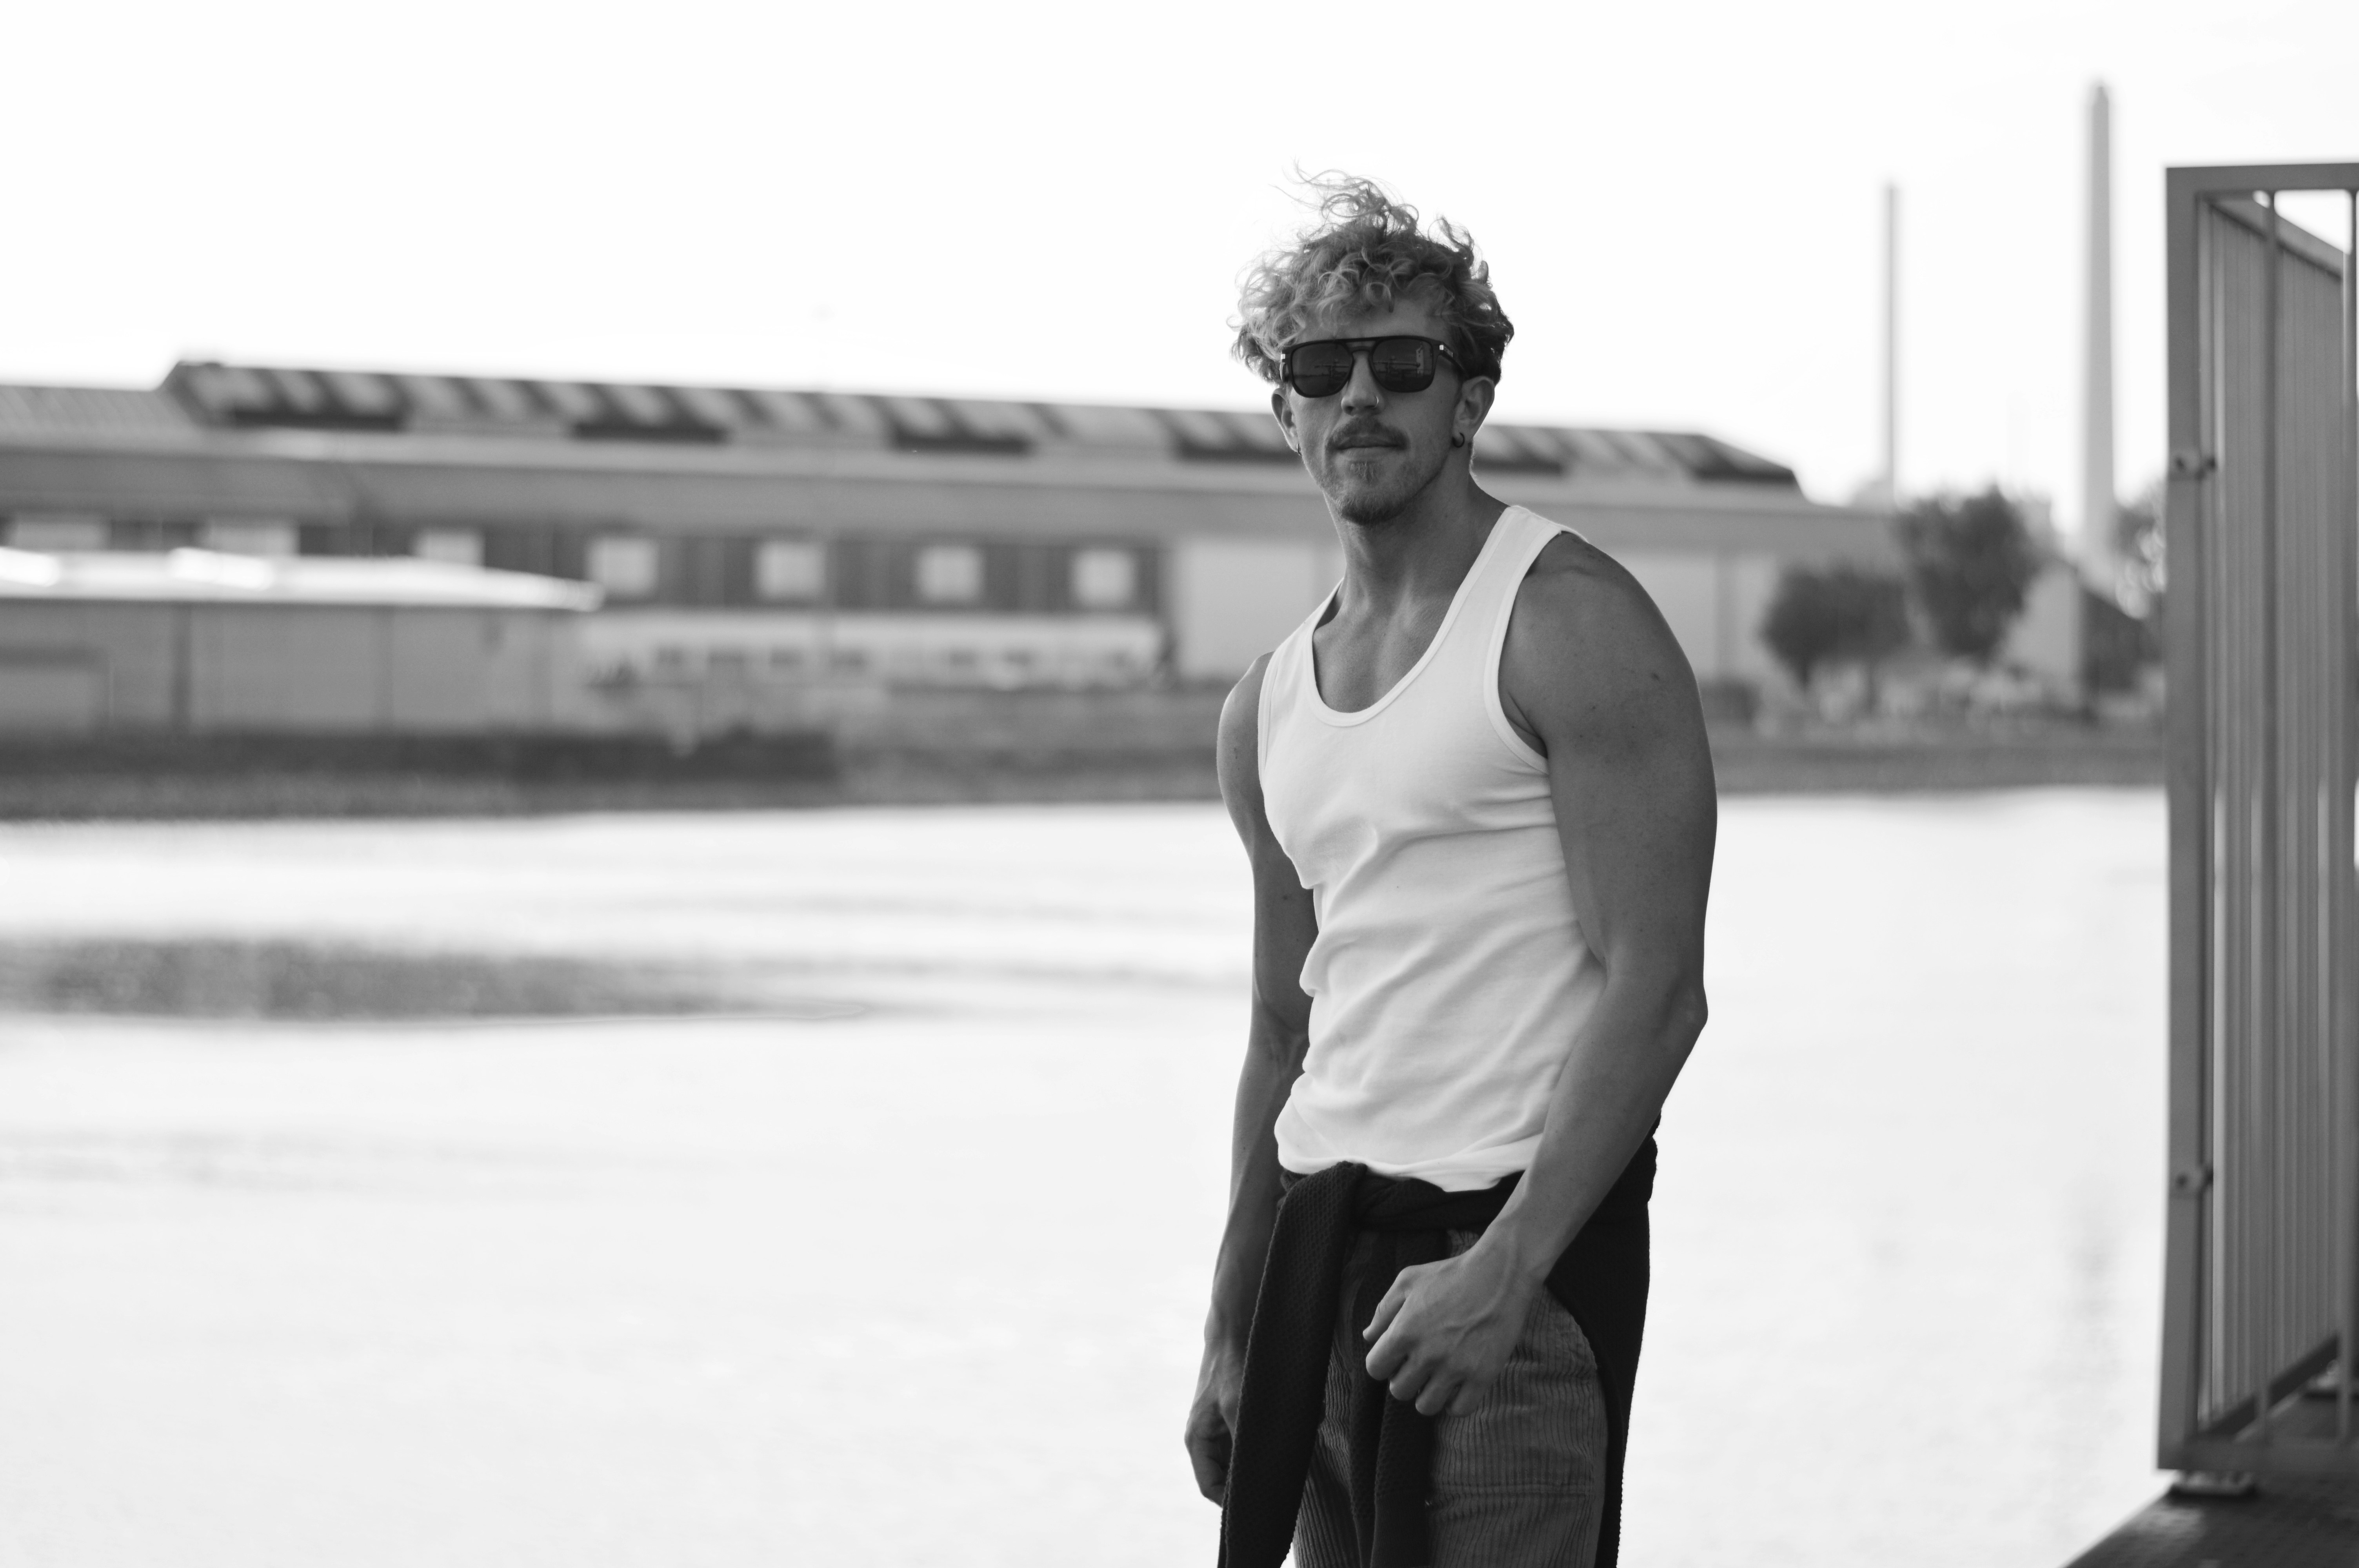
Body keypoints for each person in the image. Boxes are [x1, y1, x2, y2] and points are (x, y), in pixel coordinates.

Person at [1182, 177, 1717, 1568]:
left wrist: (1510, 1269)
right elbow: (1282, 1028)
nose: (1361, 395)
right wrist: (1233, 1319)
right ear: (1286, 412)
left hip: (1505, 1281)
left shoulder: (1570, 624)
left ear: (1468, 398)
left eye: (1402, 363)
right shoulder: (1266, 706)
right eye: (1322, 368)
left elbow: (1657, 992)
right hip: (1320, 1265)